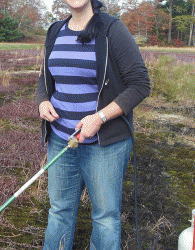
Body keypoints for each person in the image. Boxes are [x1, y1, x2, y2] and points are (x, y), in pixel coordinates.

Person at [36, 0, 150, 249]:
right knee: (59, 211)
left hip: (104, 145)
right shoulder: (55, 30)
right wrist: (43, 101)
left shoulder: (112, 30)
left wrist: (100, 118)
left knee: (105, 218)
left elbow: (140, 84)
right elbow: (45, 77)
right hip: (61, 141)